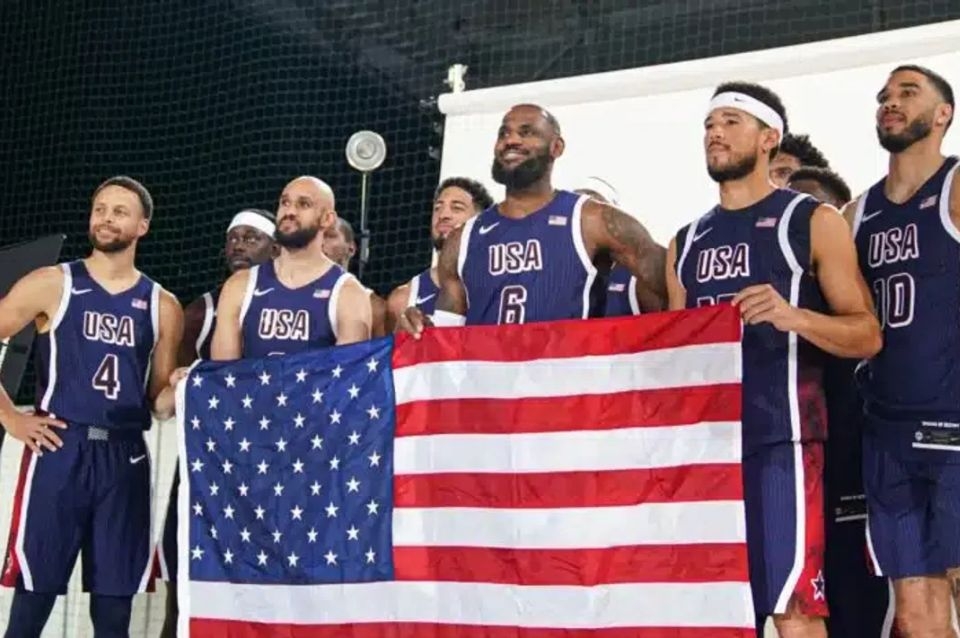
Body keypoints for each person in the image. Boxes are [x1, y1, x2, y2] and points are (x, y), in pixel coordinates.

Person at [666, 82, 882, 638]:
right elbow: (675, 358)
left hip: (784, 443)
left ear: (769, 138)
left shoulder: (811, 220)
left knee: (794, 609)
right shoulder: (685, 243)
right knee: (712, 613)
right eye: (709, 124)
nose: (715, 133)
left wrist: (796, 317)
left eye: (730, 122)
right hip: (708, 452)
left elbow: (867, 335)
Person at [0, 176, 183, 638]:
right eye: (100, 209)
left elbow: (158, 404)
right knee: (32, 601)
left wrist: (186, 386)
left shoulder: (162, 305)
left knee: (114, 612)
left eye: (119, 211)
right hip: (61, 447)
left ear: (142, 226)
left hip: (125, 457)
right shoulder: (52, 283)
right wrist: (10, 417)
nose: (105, 218)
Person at [843, 64, 958, 637]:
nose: (890, 102)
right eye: (884, 95)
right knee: (914, 613)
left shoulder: (956, 186)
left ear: (943, 114)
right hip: (888, 430)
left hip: (955, 420)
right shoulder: (854, 214)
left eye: (908, 93)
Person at [396, 103, 666, 333]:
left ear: (556, 147)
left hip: (565, 378)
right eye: (504, 133)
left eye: (527, 132)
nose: (511, 140)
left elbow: (677, 289)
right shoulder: (462, 240)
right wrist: (422, 331)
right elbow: (447, 339)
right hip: (487, 379)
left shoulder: (593, 220)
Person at [157, 208, 276, 638]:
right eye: (233, 237)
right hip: (206, 467)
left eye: (251, 237)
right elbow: (167, 398)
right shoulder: (201, 311)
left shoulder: (293, 303)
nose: (239, 244)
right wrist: (183, 381)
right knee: (184, 589)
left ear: (275, 248)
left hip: (269, 466)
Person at [789, 168, 896, 637]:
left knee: (871, 613)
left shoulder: (858, 305)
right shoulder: (774, 307)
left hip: (856, 474)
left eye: (810, 208)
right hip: (791, 468)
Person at [211, 175, 372, 360]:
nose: (290, 211)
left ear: (327, 219)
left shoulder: (349, 293)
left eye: (304, 204)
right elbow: (223, 371)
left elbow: (348, 373)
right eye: (285, 203)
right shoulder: (239, 286)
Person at [385, 177, 493, 329]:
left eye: (457, 208)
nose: (443, 215)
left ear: (481, 221)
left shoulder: (501, 287)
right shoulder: (403, 299)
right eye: (437, 208)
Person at [573, 177, 641, 318]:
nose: (587, 222)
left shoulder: (635, 276)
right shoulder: (553, 273)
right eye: (580, 214)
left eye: (594, 212)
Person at [322, 217, 388, 337]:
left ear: (351, 249)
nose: (321, 243)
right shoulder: (293, 296)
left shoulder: (375, 308)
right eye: (317, 237)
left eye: (330, 236)